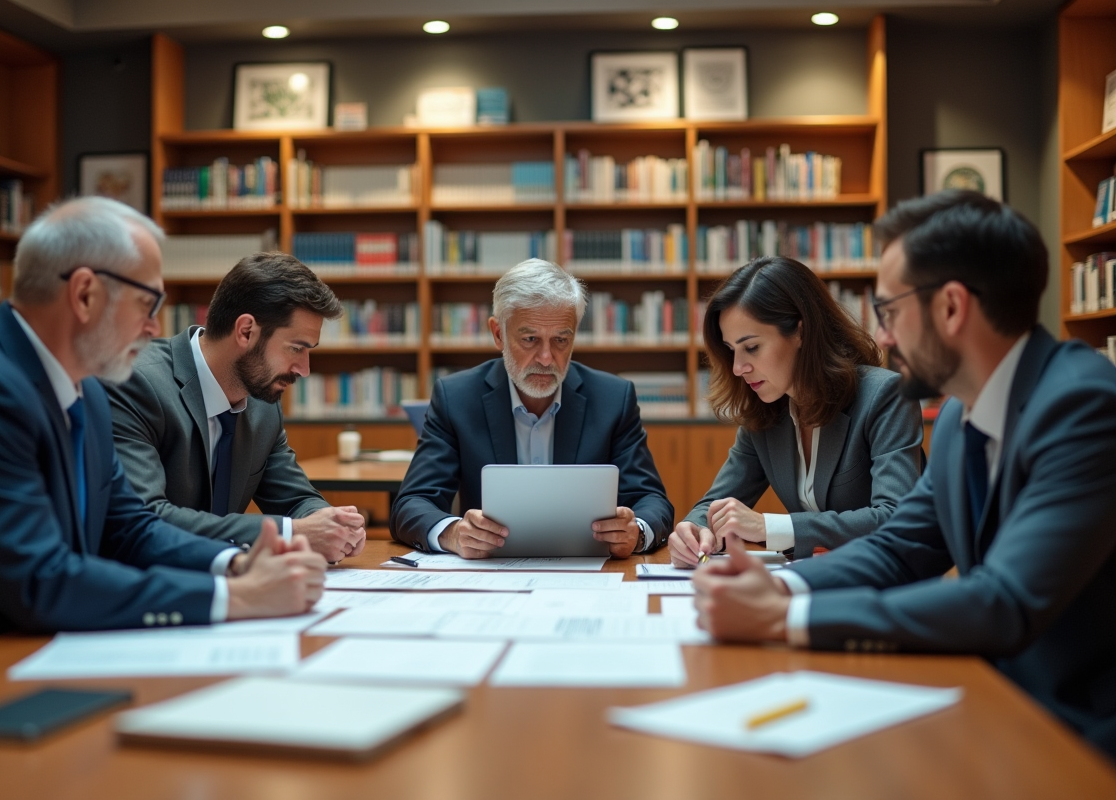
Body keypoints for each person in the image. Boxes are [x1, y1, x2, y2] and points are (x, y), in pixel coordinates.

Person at [692, 190, 1116, 759]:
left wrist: (789, 616)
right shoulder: (968, 410)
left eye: (890, 312)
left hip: (1077, 730)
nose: (882, 337)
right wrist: (781, 584)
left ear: (950, 308)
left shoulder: (1083, 406)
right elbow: (901, 547)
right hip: (994, 697)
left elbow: (1004, 600)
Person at [0, 197, 326, 659]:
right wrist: (237, 598)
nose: (154, 328)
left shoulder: (87, 387)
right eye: (147, 303)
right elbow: (40, 578)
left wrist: (237, 565)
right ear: (85, 294)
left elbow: (129, 526)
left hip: (52, 643)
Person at [390, 258, 673, 558]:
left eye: (561, 340)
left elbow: (652, 501)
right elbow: (411, 503)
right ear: (498, 333)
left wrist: (637, 532)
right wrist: (453, 533)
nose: (547, 358)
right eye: (530, 339)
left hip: (588, 574)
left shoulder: (613, 398)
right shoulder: (457, 398)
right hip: (491, 579)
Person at [106, 252, 367, 563]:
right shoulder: (135, 383)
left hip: (235, 588)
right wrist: (292, 532)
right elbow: (146, 519)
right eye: (296, 348)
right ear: (246, 331)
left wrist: (330, 523)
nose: (304, 369)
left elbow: (295, 498)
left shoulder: (262, 403)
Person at [670, 256, 924, 564]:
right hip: (811, 581)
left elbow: (894, 517)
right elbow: (716, 503)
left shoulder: (884, 395)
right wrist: (694, 530)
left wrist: (770, 527)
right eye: (731, 350)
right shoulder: (763, 414)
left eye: (751, 347)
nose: (738, 368)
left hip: (884, 590)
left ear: (801, 332)